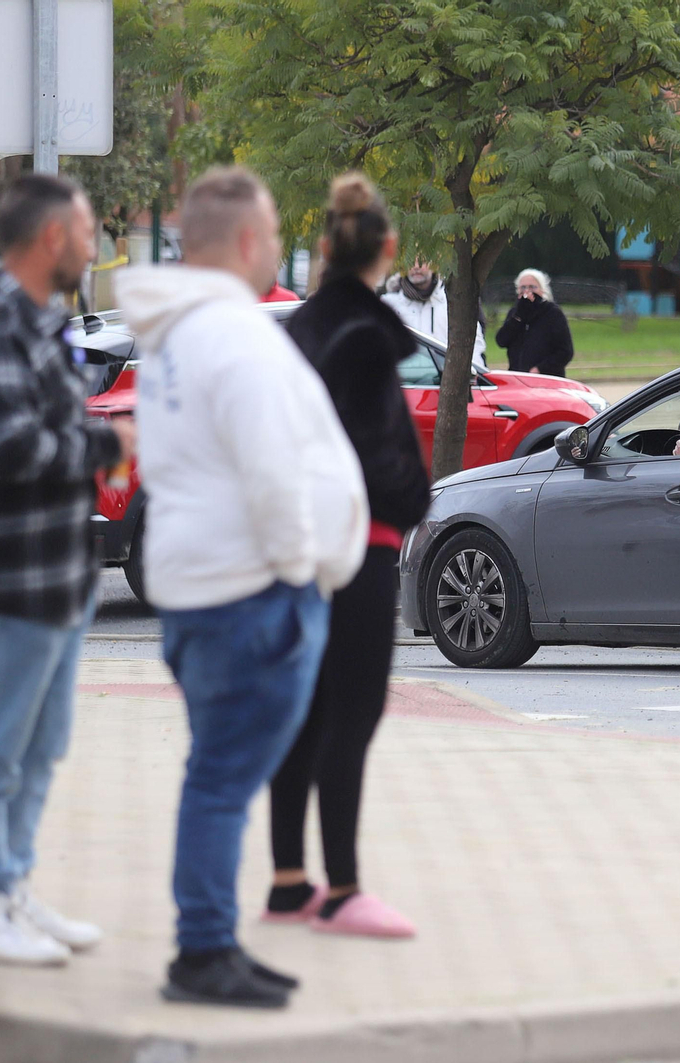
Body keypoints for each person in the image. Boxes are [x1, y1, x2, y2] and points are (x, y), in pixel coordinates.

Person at [117, 166, 368, 1009]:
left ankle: (212, 938)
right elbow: (272, 473)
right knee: (222, 780)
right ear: (251, 241)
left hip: (202, 582)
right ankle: (203, 952)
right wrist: (303, 572)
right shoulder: (235, 335)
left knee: (214, 773)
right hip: (252, 591)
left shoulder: (174, 336)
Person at [0, 173, 134, 967]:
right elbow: (16, 448)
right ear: (51, 239)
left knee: (40, 742)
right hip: (3, 578)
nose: (95, 248)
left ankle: (13, 886)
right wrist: (108, 443)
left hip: (53, 578)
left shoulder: (40, 324)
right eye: (88, 234)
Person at [264, 173, 430, 939]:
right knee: (350, 715)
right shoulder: (364, 340)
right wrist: (413, 494)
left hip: (302, 545)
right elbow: (379, 462)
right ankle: (343, 886)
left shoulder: (299, 330)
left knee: (306, 711)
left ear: (324, 245)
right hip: (359, 551)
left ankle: (291, 877)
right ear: (388, 250)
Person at [381, 260, 487, 370]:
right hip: (406, 382)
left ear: (435, 264)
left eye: (422, 261)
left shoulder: (456, 302)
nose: (416, 267)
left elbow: (474, 347)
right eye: (411, 261)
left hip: (444, 381)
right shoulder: (388, 305)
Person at [494, 268, 573, 376]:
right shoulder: (515, 313)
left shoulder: (553, 313)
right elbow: (501, 341)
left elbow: (565, 352)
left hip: (547, 377)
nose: (527, 291)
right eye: (523, 287)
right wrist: (518, 316)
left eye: (532, 287)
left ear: (542, 289)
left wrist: (540, 369)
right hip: (519, 377)